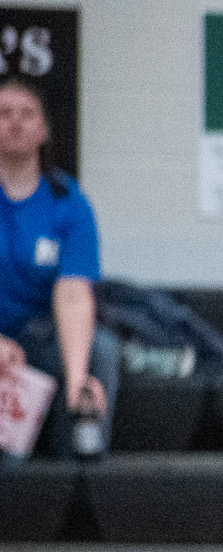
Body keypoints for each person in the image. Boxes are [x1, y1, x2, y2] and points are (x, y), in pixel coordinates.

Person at [0, 77, 115, 461]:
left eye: (27, 113)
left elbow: (72, 294)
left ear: (45, 129)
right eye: (3, 113)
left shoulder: (69, 202)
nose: (15, 122)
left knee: (99, 349)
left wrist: (77, 380)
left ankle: (78, 473)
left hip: (38, 341)